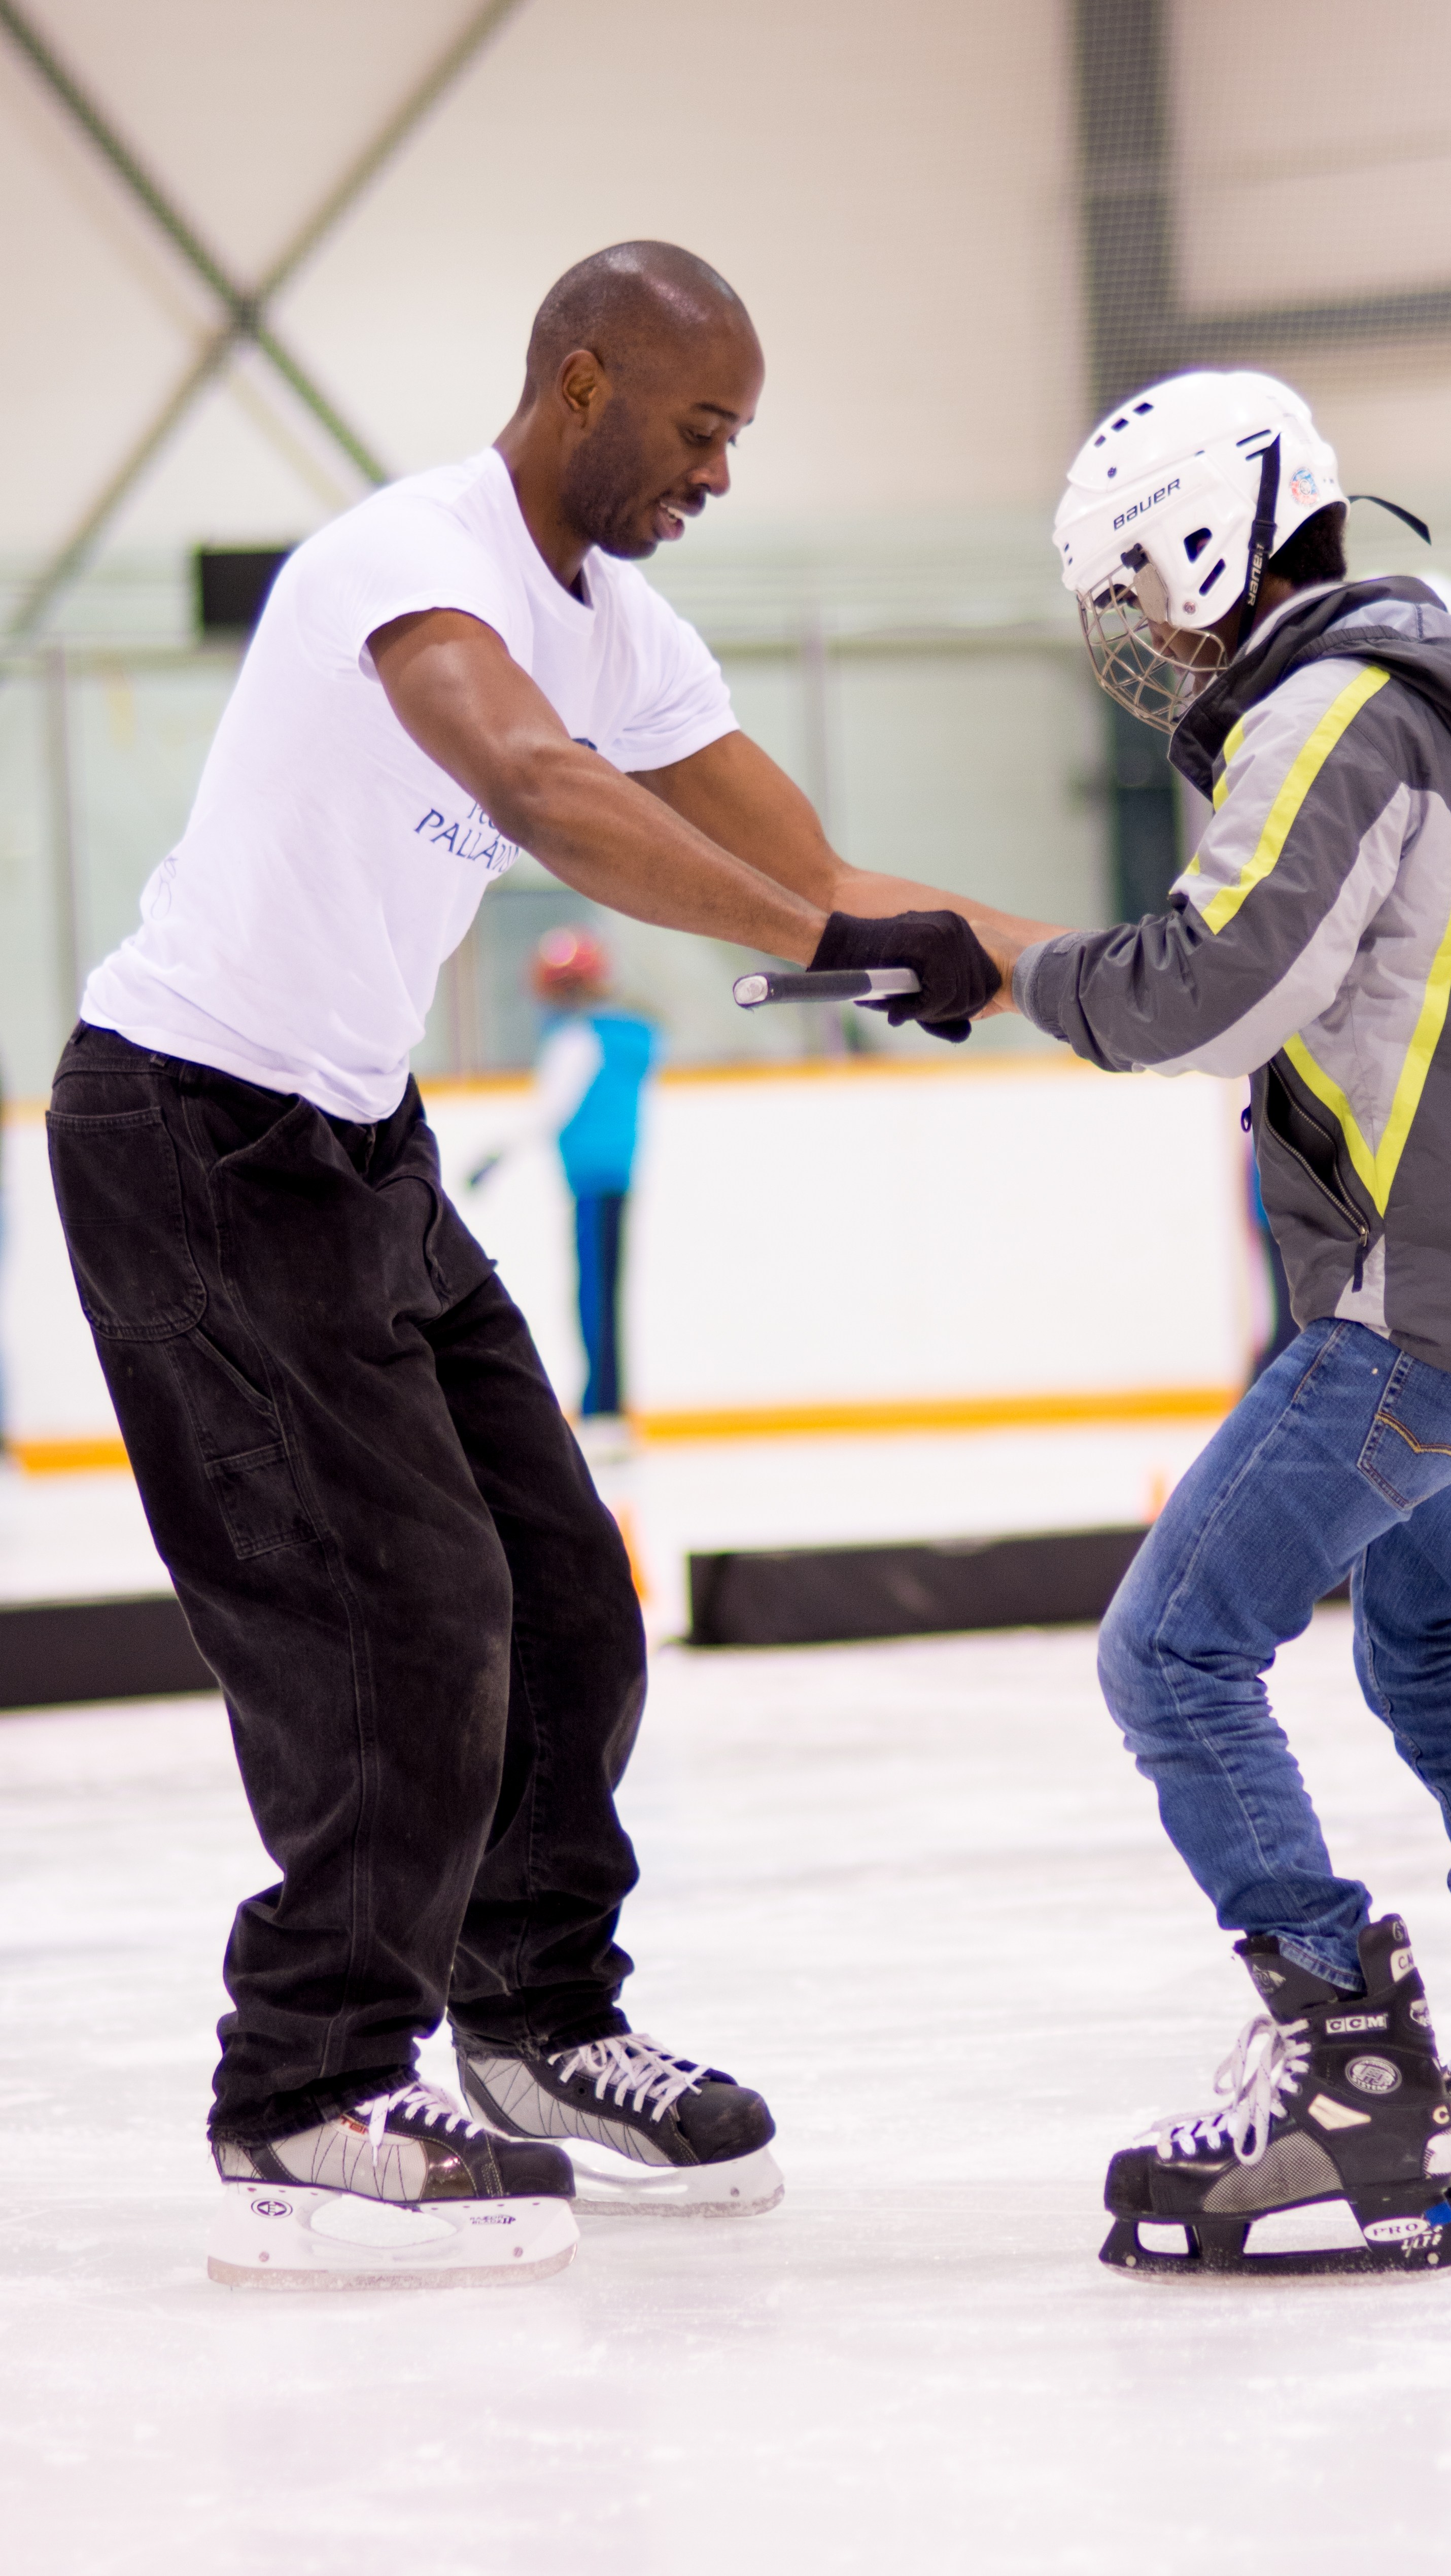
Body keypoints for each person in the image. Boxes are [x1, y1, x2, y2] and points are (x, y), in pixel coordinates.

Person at [48, 240, 1037, 2280]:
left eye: (737, 440)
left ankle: (534, 2017)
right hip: (190, 1127)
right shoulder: (406, 567)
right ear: (582, 385)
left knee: (569, 1598)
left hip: (357, 1138)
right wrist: (832, 947)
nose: (720, 474)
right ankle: (307, 2084)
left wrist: (1144, 971)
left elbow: (823, 876)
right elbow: (531, 785)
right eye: (701, 429)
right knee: (403, 1607)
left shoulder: (629, 632)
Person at [895, 367, 1451, 2276]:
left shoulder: (1324, 712)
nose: (1150, 642)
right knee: (1422, 1626)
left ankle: (1344, 2057)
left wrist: (1008, 967)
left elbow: (1202, 990)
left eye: (1145, 595)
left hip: (1443, 1299)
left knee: (1171, 1648)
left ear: (1205, 538)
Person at [469, 926, 653, 1423]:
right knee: (603, 1292)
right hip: (615, 1175)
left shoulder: (578, 1038)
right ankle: (606, 1401)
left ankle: (603, 1406)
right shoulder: (625, 1036)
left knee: (592, 1294)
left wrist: (494, 1159)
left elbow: (549, 1111)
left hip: (591, 1180)